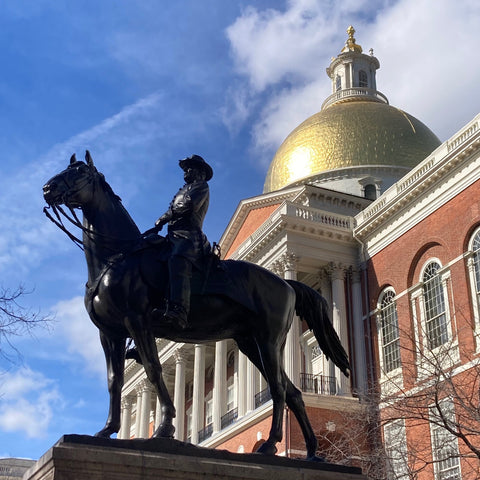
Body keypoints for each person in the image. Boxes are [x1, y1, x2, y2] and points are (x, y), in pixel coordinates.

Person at [150, 154, 213, 328]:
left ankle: (179, 310)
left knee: (178, 259)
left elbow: (187, 206)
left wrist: (163, 218)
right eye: (185, 168)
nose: (186, 171)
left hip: (189, 236)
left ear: (200, 172)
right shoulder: (183, 189)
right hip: (174, 236)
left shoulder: (202, 186)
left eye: (190, 168)